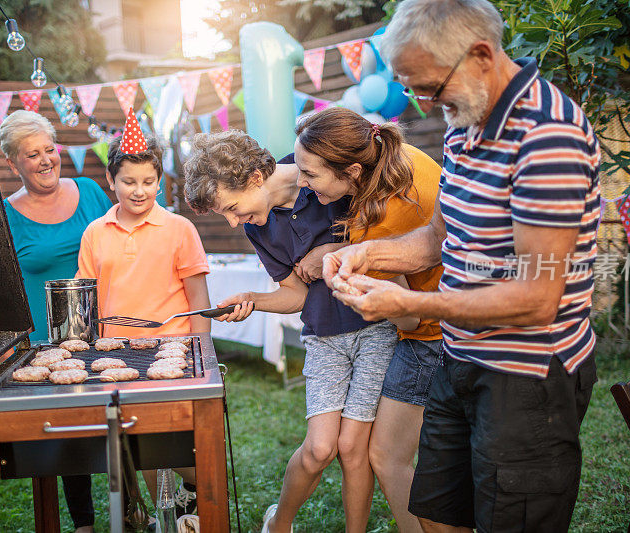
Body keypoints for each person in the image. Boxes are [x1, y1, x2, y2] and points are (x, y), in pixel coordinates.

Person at [322, 0, 601, 531]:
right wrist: (365, 253)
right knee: (437, 515)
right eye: (411, 88)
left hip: (527, 375)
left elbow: (536, 296)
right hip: (460, 358)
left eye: (428, 86)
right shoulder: (463, 122)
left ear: (480, 55)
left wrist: (409, 303)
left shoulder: (547, 136)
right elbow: (435, 241)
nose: (422, 102)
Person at [183, 130, 398, 533]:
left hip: (375, 328)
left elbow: (384, 236)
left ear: (252, 178)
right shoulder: (257, 226)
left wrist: (331, 252)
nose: (232, 222)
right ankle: (279, 523)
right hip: (323, 336)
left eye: (232, 208)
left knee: (353, 448)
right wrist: (252, 300)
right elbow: (295, 295)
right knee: (319, 448)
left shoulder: (320, 172)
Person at [293, 106, 444, 533]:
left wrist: (362, 294)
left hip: (430, 337)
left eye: (310, 174)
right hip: (460, 319)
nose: (302, 183)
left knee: (387, 455)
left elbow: (411, 318)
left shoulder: (371, 225)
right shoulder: (403, 156)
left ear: (354, 170)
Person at [77, 131, 210, 523]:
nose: (139, 191)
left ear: (160, 179)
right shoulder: (95, 233)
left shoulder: (179, 229)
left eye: (148, 182)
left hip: (173, 354)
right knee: (137, 446)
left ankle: (199, 493)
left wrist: (201, 359)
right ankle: (165, 518)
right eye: (129, 182)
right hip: (116, 357)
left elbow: (199, 299)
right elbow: (87, 300)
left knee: (175, 446)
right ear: (110, 179)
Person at [0, 109, 112, 533]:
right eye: (32, 154)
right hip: (45, 343)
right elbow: (0, 283)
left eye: (50, 149)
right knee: (67, 429)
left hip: (106, 330)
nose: (46, 160)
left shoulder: (89, 190)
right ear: (13, 163)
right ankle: (83, 523)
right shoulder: (6, 215)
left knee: (126, 418)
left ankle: (139, 500)